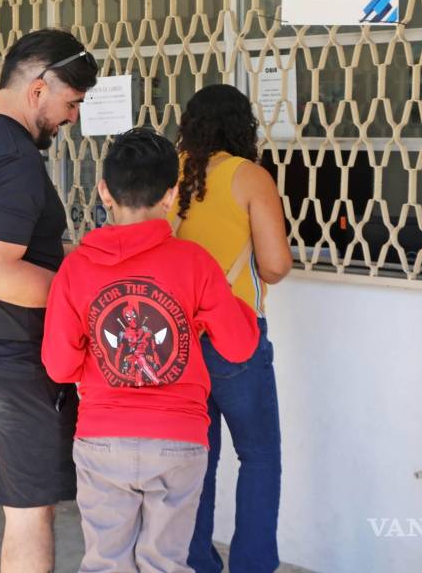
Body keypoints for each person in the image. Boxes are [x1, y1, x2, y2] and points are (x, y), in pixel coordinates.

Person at [42, 128, 260, 572]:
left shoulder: (75, 267)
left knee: (105, 562)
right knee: (165, 563)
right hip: (178, 442)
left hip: (102, 439)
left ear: (104, 190)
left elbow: (59, 366)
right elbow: (239, 347)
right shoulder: (196, 263)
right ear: (171, 194)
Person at [0, 28, 98, 573]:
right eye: (70, 102)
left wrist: (77, 256)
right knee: (30, 513)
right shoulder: (13, 158)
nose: (72, 117)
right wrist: (85, 292)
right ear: (38, 88)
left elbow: (3, 244)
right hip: (11, 363)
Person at [171, 84, 292, 573]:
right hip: (235, 336)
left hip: (179, 338)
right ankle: (252, 565)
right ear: (242, 125)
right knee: (260, 455)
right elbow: (277, 263)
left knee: (200, 457)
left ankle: (197, 561)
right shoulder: (249, 177)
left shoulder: (171, 174)